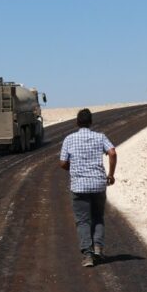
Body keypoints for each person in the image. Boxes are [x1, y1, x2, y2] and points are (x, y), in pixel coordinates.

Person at [58, 109, 117, 267]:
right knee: (98, 217)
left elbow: (62, 163)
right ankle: (98, 248)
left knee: (83, 220)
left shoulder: (69, 139)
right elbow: (112, 153)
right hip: (98, 184)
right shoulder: (100, 137)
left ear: (77, 122)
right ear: (91, 122)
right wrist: (110, 175)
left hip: (79, 186)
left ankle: (87, 255)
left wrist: (74, 168)